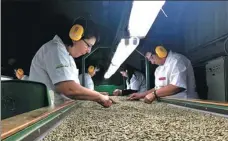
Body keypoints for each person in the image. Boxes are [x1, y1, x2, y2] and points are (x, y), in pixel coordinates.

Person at [29, 16, 113, 107]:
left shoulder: (67, 56)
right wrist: (98, 97)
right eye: (88, 45)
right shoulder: (55, 50)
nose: (89, 51)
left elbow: (75, 89)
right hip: (44, 113)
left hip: (56, 110)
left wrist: (96, 94)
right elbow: (69, 89)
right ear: (75, 36)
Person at [128, 45, 198, 103]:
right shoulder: (158, 69)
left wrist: (154, 94)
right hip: (169, 103)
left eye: (152, 58)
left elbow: (177, 86)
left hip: (186, 103)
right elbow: (157, 88)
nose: (152, 62)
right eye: (150, 60)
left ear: (160, 52)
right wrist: (141, 95)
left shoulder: (177, 60)